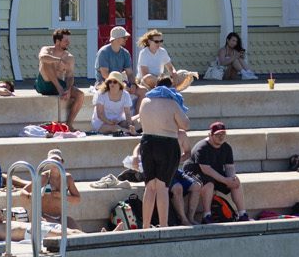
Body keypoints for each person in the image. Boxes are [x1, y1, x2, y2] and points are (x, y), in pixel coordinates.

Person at [136, 75, 188, 229]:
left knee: (150, 187)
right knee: (162, 187)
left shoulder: (145, 101)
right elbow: (185, 125)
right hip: (167, 144)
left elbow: (140, 121)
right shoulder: (172, 102)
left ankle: (145, 226)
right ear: (170, 87)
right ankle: (164, 226)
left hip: (147, 143)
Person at [189, 119, 242, 220]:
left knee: (236, 182)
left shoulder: (226, 147)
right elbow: (206, 169)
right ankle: (207, 215)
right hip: (195, 174)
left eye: (223, 134)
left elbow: (229, 167)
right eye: (217, 135)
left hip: (214, 174)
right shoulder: (202, 147)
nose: (221, 137)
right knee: (209, 184)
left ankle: (242, 214)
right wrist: (225, 180)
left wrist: (231, 179)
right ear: (210, 135)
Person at [35, 30, 84, 126]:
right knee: (47, 61)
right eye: (66, 40)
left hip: (60, 85)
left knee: (80, 95)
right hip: (44, 84)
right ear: (57, 41)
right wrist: (58, 60)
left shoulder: (69, 57)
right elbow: (42, 57)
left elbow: (70, 76)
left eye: (68, 40)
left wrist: (68, 89)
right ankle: (60, 89)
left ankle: (69, 125)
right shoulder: (47, 49)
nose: (68, 43)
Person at [90, 71, 137, 137]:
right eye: (110, 82)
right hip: (101, 122)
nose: (112, 84)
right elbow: (100, 114)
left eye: (114, 82)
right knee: (115, 128)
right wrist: (109, 122)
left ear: (120, 84)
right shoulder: (101, 94)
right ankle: (130, 132)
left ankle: (129, 130)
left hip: (118, 121)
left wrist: (129, 125)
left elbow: (127, 114)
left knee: (131, 123)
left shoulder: (125, 95)